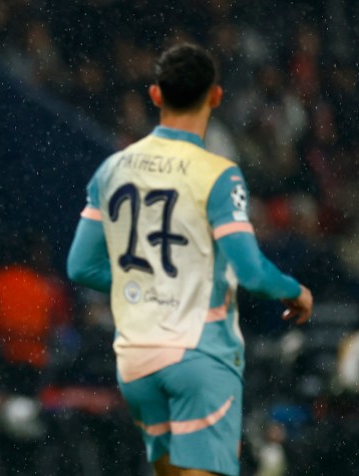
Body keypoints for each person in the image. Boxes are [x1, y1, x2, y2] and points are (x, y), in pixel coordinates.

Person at [66, 43, 313, 476]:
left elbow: (80, 267)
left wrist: (147, 285)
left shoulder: (112, 169)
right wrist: (297, 292)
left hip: (138, 357)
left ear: (156, 95)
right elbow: (252, 272)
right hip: (199, 353)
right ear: (216, 97)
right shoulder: (218, 173)